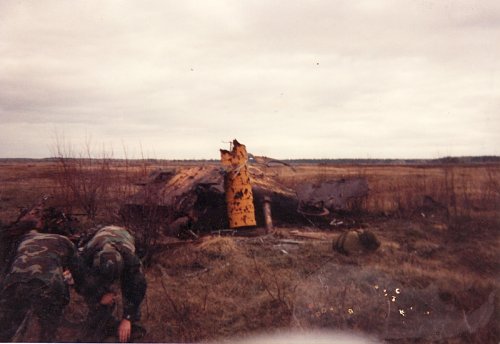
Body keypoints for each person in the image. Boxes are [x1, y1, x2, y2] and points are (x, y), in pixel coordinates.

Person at [0, 206, 83, 342]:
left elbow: (7, 269)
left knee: (7, 328)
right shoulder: (63, 240)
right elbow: (81, 275)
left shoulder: (20, 239)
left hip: (14, 285)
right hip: (50, 289)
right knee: (48, 331)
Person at [78, 225, 147, 343]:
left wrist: (128, 318)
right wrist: (99, 297)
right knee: (92, 286)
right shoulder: (89, 252)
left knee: (130, 286)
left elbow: (138, 288)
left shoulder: (130, 259)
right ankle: (99, 317)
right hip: (101, 234)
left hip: (125, 234)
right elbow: (81, 279)